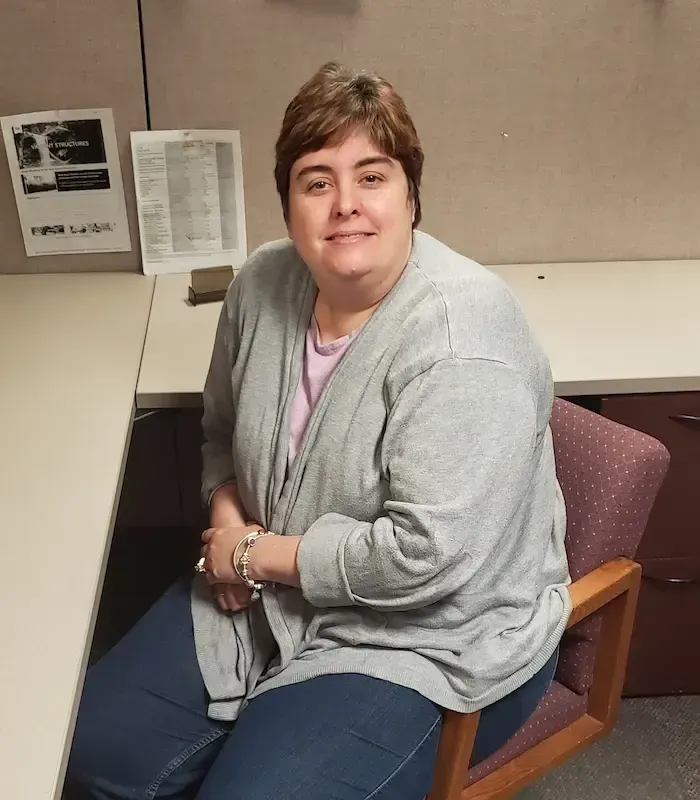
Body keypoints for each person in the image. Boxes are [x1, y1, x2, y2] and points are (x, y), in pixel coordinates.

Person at [65, 62, 571, 800]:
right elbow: (220, 432)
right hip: (265, 593)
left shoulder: (464, 339)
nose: (345, 205)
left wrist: (255, 556)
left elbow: (425, 560)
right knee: (86, 754)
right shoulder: (260, 285)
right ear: (288, 204)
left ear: (411, 195)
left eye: (372, 176)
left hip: (425, 637)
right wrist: (228, 519)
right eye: (316, 181)